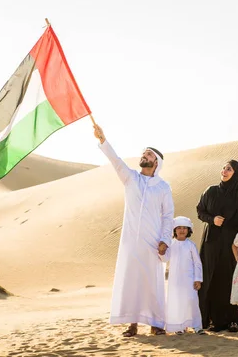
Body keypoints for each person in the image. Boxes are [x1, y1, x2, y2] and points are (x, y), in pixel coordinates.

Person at [93, 123, 174, 337]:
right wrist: (103, 140)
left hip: (152, 241)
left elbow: (167, 216)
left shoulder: (163, 187)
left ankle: (156, 323)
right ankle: (132, 324)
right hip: (130, 242)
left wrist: (165, 239)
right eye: (143, 153)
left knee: (152, 282)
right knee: (131, 282)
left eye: (148, 154)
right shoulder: (131, 178)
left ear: (156, 162)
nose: (144, 155)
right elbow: (115, 161)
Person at [196, 160, 238, 332]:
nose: (224, 171)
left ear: (236, 174)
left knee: (229, 279)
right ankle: (208, 320)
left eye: (229, 169)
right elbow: (200, 211)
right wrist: (213, 220)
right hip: (211, 241)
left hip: (230, 244)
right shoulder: (211, 191)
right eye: (224, 168)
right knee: (209, 278)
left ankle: (232, 320)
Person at [159, 216, 205, 335]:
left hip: (189, 279)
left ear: (189, 230)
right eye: (179, 228)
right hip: (175, 280)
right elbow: (165, 259)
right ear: (174, 230)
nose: (182, 230)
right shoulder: (171, 244)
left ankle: (197, 326)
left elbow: (197, 263)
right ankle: (178, 326)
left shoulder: (191, 245)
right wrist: (161, 252)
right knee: (177, 301)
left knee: (192, 301)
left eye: (185, 228)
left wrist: (198, 279)